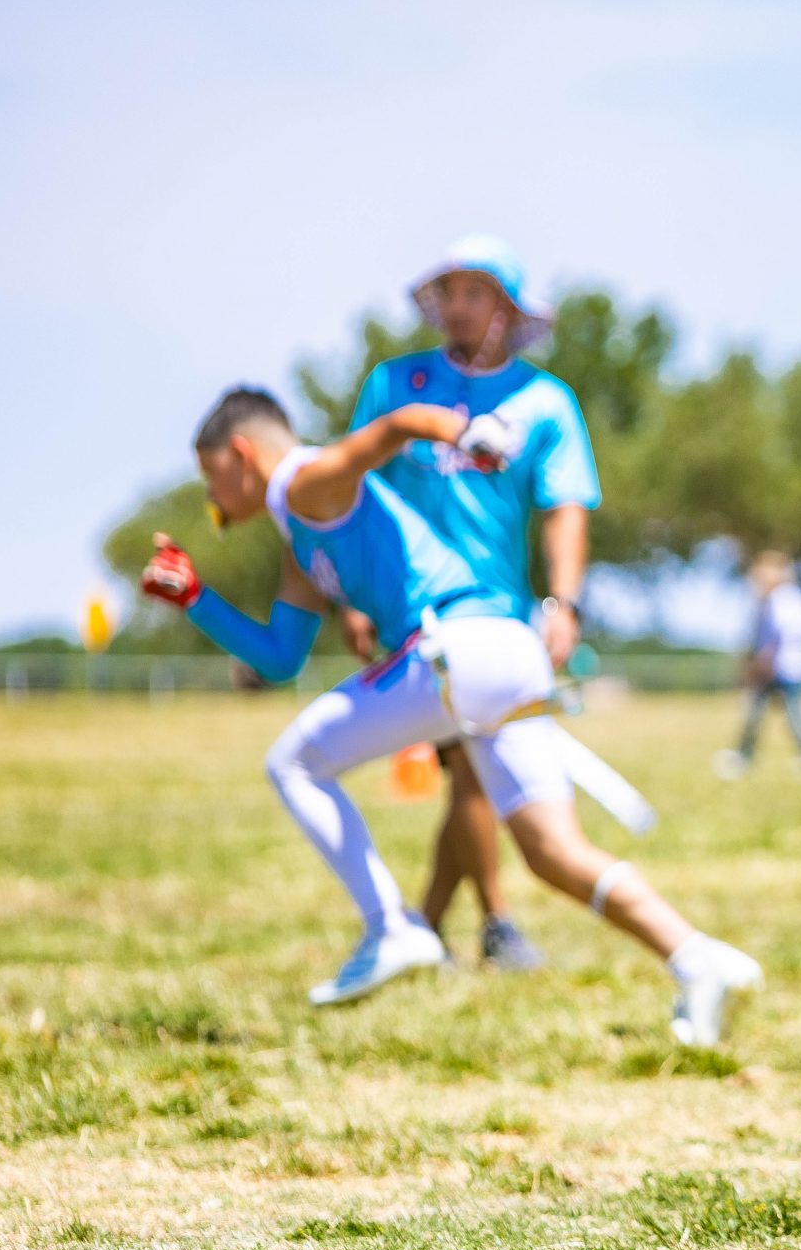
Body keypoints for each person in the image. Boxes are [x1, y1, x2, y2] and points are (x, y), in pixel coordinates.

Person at [137, 387, 760, 1044]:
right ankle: (697, 959)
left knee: (293, 763)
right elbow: (280, 657)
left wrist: (466, 434)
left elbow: (399, 424)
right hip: (506, 650)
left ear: (240, 454)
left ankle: (392, 927)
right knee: (552, 852)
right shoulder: (300, 532)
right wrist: (197, 598)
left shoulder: (303, 480)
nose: (212, 498)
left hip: (453, 649)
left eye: (211, 476)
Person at [343, 236, 602, 972]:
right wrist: (350, 596)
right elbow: (350, 487)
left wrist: (563, 602)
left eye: (475, 293)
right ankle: (479, 924)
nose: (457, 307)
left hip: (494, 614)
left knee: (468, 765)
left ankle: (437, 927)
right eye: (449, 293)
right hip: (405, 607)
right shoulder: (396, 385)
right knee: (469, 768)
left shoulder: (545, 402)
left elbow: (566, 508)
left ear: (508, 310)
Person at [718, 551, 801, 777]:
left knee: (795, 715)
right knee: (754, 714)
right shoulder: (764, 599)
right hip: (770, 666)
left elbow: (777, 635)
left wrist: (762, 663)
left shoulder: (786, 598)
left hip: (787, 668)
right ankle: (744, 755)